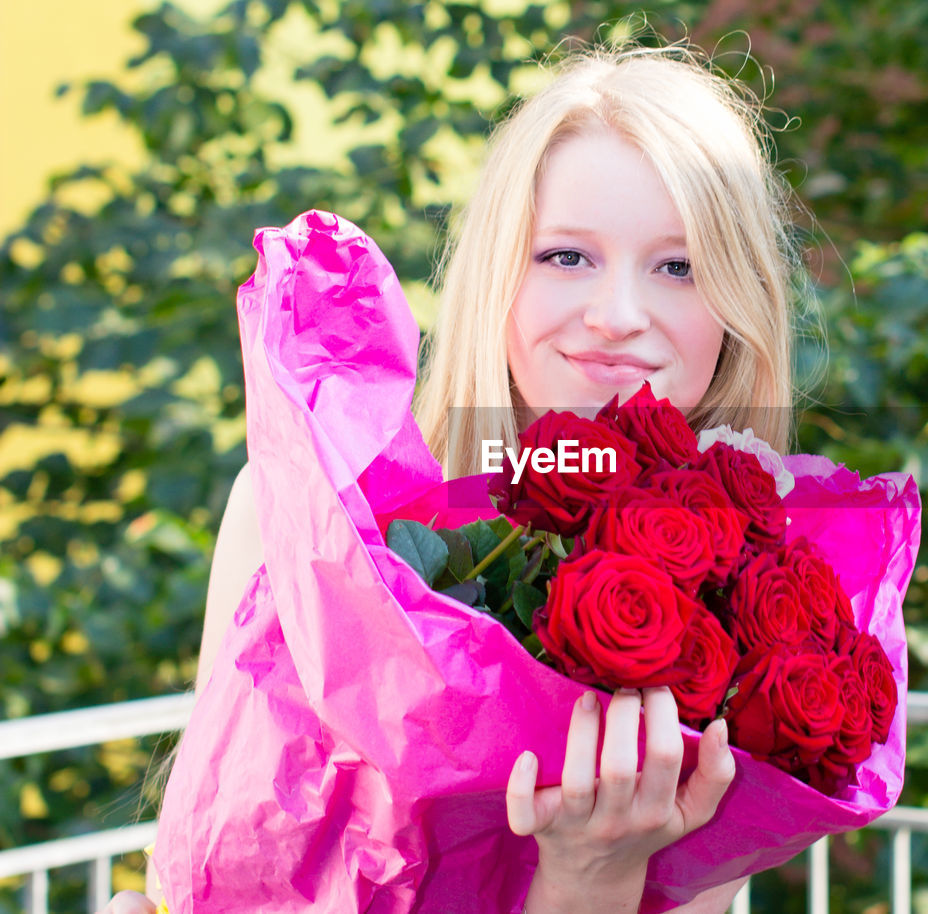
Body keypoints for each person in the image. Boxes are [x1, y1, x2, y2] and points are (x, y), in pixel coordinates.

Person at [100, 38, 810, 914]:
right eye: (566, 257)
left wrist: (590, 877)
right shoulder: (292, 514)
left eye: (680, 266)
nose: (620, 316)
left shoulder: (750, 620)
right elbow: (205, 848)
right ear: (496, 277)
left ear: (739, 304)